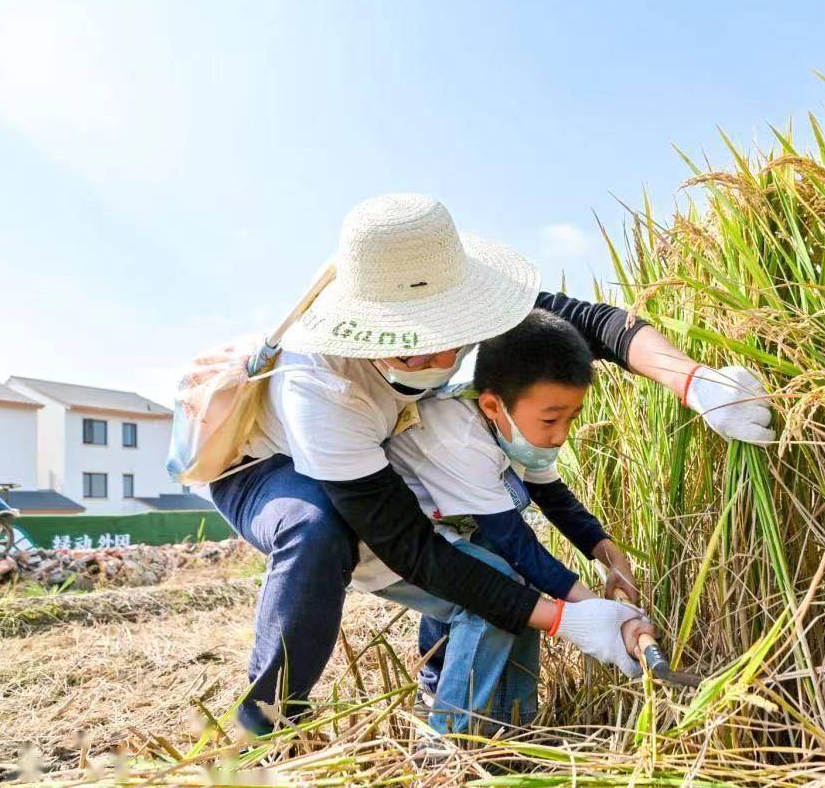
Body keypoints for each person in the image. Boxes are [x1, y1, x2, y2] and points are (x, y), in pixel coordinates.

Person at [207, 193, 773, 736]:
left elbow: (599, 325)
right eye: (412, 346)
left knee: (474, 550)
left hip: (386, 449)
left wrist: (693, 381)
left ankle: (458, 700)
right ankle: (266, 719)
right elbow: (414, 550)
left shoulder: (470, 310)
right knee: (321, 531)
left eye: (446, 338)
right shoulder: (322, 385)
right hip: (264, 462)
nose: (438, 359)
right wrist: (569, 615)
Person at [372, 310, 638, 725]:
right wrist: (597, 612)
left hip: (449, 537)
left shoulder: (511, 427)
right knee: (501, 595)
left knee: (520, 585)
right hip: (388, 550)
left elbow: (556, 499)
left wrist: (611, 558)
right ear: (494, 405)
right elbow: (514, 540)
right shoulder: (457, 436)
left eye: (572, 418)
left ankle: (511, 724)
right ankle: (448, 742)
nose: (561, 434)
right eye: (551, 419)